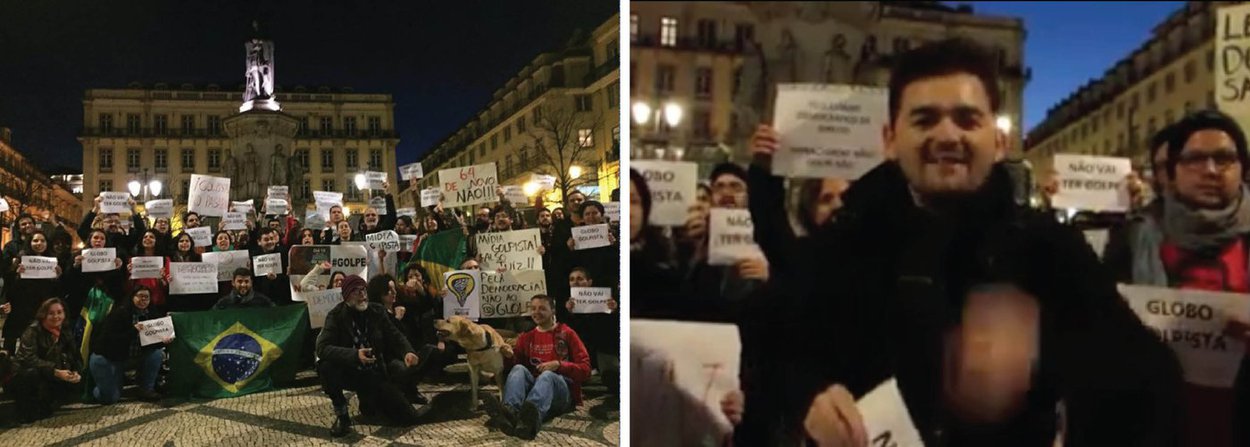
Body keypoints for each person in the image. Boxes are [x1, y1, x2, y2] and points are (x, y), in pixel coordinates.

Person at [761, 38, 1181, 445]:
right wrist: (807, 395)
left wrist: (1056, 380)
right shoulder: (841, 244)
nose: (947, 136)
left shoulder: (1048, 248)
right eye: (925, 119)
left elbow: (1148, 379)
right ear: (890, 139)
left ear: (998, 143)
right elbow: (772, 349)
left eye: (967, 119)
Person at [1103, 109, 1250, 445]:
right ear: (1172, 171)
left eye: (1224, 158)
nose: (1210, 170)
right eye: (1195, 159)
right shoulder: (1131, 238)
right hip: (1156, 425)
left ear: (1243, 167)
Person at [316, 275, 422, 437]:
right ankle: (342, 415)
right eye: (356, 291)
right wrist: (354, 355)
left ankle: (368, 401)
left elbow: (395, 336)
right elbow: (322, 348)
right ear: (346, 296)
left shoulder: (376, 311)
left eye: (363, 290)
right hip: (349, 371)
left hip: (374, 372)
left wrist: (408, 351)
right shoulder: (336, 316)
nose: (362, 295)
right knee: (325, 366)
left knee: (409, 417)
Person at [483, 294, 590, 440]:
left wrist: (559, 365)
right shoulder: (526, 337)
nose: (536, 312)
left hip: (561, 393)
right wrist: (508, 357)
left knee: (547, 376)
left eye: (542, 308)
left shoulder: (567, 333)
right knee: (518, 369)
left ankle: (530, 418)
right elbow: (514, 367)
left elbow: (585, 370)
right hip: (534, 389)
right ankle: (510, 412)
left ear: (552, 311)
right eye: (533, 308)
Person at [88, 286, 171, 403]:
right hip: (110, 358)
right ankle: (100, 388)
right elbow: (109, 340)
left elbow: (153, 342)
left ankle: (146, 389)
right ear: (132, 297)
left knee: (156, 354)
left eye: (146, 297)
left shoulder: (152, 314)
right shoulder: (119, 314)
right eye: (140, 296)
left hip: (134, 356)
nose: (143, 300)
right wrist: (133, 330)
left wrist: (163, 340)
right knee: (110, 398)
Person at [11, 298, 82, 423]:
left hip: (53, 372)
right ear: (44, 314)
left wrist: (74, 371)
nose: (56, 316)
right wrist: (55, 371)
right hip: (28, 374)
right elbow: (29, 359)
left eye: (59, 312)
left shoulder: (65, 330)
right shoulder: (33, 331)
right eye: (51, 313)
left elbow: (74, 354)